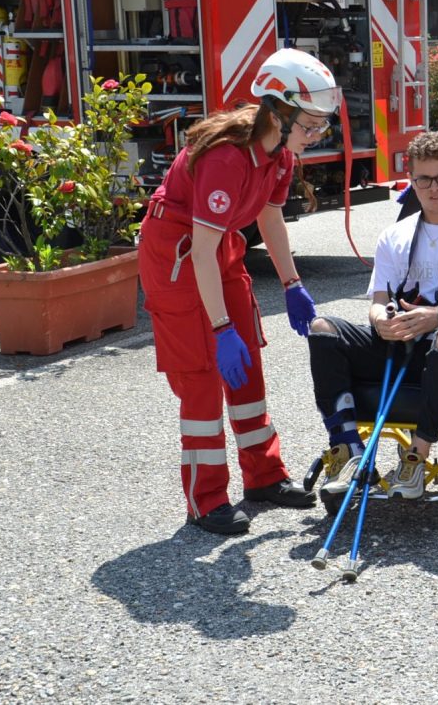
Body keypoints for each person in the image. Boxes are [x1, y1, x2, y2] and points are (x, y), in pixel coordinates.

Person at [139, 47, 333, 535]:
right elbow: (199, 253)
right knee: (202, 377)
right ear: (279, 113)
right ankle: (205, 500)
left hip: (216, 246)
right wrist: (220, 327)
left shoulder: (280, 156)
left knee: (247, 369)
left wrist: (292, 284)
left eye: (322, 126)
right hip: (178, 256)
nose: (316, 135)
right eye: (311, 125)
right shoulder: (227, 158)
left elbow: (269, 217)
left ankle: (264, 477)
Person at [306, 131, 438, 502]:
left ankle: (415, 458)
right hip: (401, 339)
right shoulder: (394, 236)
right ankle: (348, 450)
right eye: (424, 179)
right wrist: (380, 321)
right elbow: (378, 301)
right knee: (322, 329)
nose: (434, 188)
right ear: (411, 182)